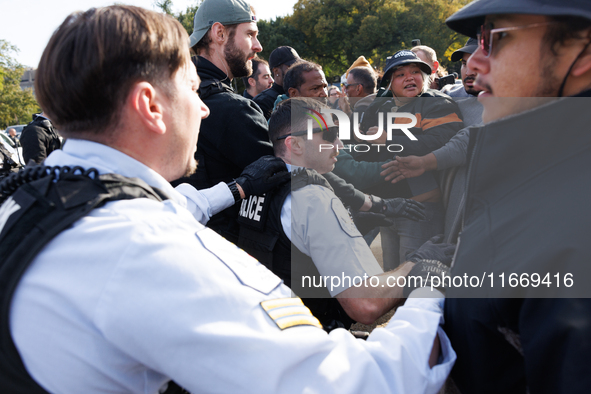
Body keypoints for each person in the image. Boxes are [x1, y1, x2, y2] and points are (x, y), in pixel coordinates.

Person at [0, 5, 457, 393]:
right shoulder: (147, 248)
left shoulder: (32, 199)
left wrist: (235, 189)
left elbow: (177, 205)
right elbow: (356, 382)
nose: (201, 109)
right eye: (192, 92)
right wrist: (429, 289)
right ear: (149, 106)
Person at [444, 0, 591, 392]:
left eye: (496, 39)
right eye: (478, 41)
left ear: (582, 51)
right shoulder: (536, 166)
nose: (473, 63)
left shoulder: (576, 230)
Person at [238, 97, 430, 330]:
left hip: (265, 326)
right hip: (311, 340)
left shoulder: (255, 182)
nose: (339, 144)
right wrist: (418, 265)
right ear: (295, 145)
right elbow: (366, 304)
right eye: (329, 135)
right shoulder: (313, 197)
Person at [176, 0, 273, 243]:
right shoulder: (232, 109)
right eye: (250, 34)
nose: (258, 46)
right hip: (226, 251)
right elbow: (280, 175)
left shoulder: (170, 98)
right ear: (219, 33)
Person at [358, 50, 464, 270]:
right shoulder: (380, 106)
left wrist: (388, 139)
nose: (409, 77)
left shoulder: (437, 103)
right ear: (389, 83)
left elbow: (441, 141)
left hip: (420, 211)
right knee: (391, 278)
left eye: (415, 71)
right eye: (400, 74)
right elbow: (363, 141)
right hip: (387, 210)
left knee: (415, 280)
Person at [382, 38, 484, 241]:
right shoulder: (448, 96)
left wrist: (424, 162)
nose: (469, 70)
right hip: (447, 209)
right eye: (464, 63)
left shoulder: (510, 104)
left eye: (477, 62)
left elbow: (466, 141)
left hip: (479, 210)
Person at [253, 46, 300, 119]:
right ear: (276, 71)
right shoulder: (263, 102)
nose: (296, 70)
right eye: (291, 67)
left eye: (298, 66)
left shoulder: (302, 93)